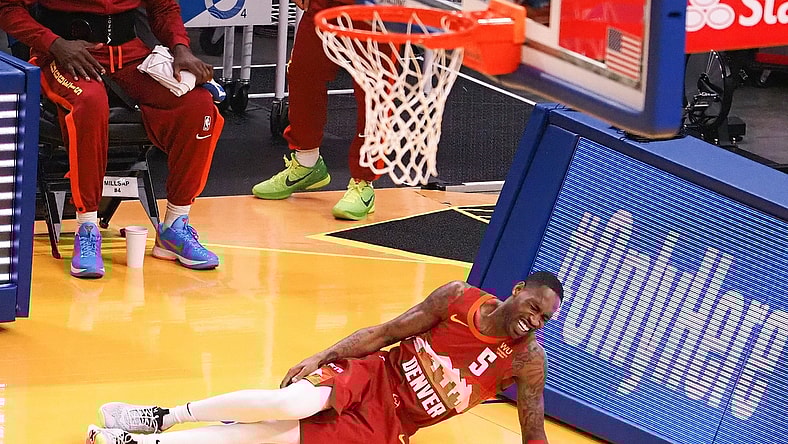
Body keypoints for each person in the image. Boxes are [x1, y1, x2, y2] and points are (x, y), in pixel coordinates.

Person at [85, 271, 564, 444]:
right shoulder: (459, 298)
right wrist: (323, 354)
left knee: (271, 438)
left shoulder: (526, 362)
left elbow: (533, 431)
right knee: (289, 405)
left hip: (390, 425)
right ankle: (163, 416)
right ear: (517, 291)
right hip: (376, 374)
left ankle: (140, 443)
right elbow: (386, 332)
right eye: (533, 306)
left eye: (545, 318)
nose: (535, 320)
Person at [0, 0, 223, 278]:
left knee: (199, 106)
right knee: (90, 104)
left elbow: (163, 8)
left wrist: (180, 48)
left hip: (129, 53)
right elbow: (7, 9)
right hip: (62, 54)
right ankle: (87, 227)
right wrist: (54, 44)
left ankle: (175, 226)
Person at [251, 0, 381, 221]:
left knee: (372, 88)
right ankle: (307, 162)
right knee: (303, 70)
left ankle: (364, 181)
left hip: (376, 7)